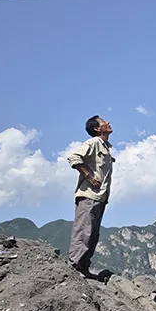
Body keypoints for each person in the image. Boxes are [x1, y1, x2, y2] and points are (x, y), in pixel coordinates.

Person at [66, 115, 114, 279]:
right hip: (89, 195)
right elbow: (74, 158)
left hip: (100, 197)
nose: (108, 122)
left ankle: (83, 268)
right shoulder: (93, 143)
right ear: (97, 128)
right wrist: (89, 177)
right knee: (83, 230)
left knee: (93, 233)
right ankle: (74, 267)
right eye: (103, 122)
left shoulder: (107, 147)